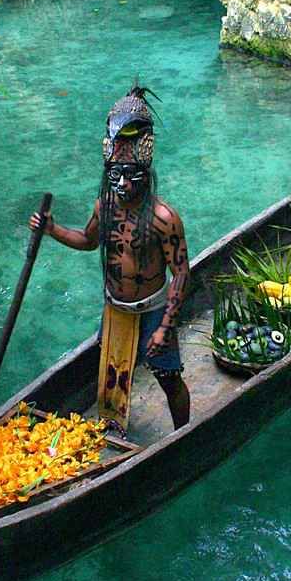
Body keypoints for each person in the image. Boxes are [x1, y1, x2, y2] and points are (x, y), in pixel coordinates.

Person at [30, 85, 191, 432]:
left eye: (129, 176)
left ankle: (184, 434)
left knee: (168, 376)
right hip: (115, 308)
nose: (121, 183)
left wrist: (165, 326)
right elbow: (88, 241)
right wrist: (52, 229)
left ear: (144, 175)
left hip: (151, 309)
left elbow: (180, 273)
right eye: (114, 175)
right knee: (113, 374)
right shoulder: (105, 207)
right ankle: (114, 430)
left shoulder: (164, 218)